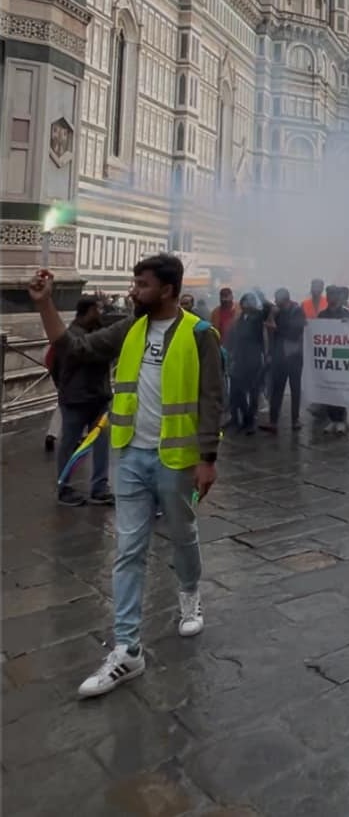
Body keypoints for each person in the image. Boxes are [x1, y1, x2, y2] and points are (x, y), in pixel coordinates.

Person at [28, 253, 223, 698]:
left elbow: (212, 398)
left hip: (176, 458)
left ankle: (190, 594)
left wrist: (207, 458)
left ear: (168, 290)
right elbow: (73, 347)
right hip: (131, 454)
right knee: (128, 549)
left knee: (182, 532)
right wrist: (44, 304)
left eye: (142, 284)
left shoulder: (199, 335)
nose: (134, 291)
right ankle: (128, 649)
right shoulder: (129, 329)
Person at [52, 296, 114, 507]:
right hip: (76, 399)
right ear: (88, 311)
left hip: (98, 397)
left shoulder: (96, 331)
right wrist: (65, 388)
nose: (101, 312)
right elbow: (55, 365)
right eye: (97, 309)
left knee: (101, 444)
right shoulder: (71, 336)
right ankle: (64, 487)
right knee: (69, 444)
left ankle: (99, 488)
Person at [261, 288, 305, 433]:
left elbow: (295, 332)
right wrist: (272, 316)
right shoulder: (277, 312)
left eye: (277, 299)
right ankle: (273, 421)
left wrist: (277, 328)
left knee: (295, 389)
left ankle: (295, 420)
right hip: (279, 357)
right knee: (277, 389)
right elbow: (269, 328)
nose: (275, 302)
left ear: (284, 299)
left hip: (294, 357)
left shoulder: (297, 311)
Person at [224, 293, 268, 435]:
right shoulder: (240, 319)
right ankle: (236, 418)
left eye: (248, 302)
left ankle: (250, 422)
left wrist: (260, 296)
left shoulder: (257, 317)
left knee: (253, 392)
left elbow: (267, 309)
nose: (245, 304)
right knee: (236, 391)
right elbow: (234, 337)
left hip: (253, 360)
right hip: (239, 359)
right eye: (243, 302)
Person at [316, 285, 349, 433]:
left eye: (334, 295)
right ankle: (332, 419)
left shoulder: (346, 314)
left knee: (340, 390)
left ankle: (341, 420)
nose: (332, 297)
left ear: (338, 297)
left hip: (341, 357)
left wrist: (348, 325)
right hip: (327, 358)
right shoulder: (322, 315)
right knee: (329, 390)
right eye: (329, 294)